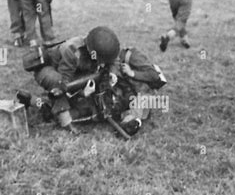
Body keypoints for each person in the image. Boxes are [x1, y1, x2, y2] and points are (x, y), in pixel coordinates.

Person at [18, 26, 167, 136]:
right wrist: (83, 93)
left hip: (76, 72)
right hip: (49, 70)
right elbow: (64, 83)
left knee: (82, 101)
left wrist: (113, 74)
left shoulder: (100, 48)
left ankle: (37, 103)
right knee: (59, 87)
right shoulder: (71, 51)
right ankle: (66, 122)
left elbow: (113, 61)